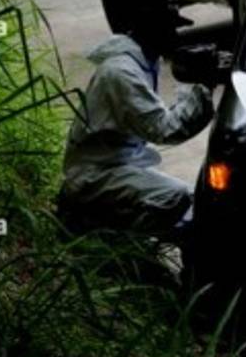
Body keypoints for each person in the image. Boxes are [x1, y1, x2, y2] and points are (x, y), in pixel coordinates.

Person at [59, 22, 213, 234]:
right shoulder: (122, 73)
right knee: (175, 197)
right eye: (168, 27)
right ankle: (111, 237)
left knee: (195, 198)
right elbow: (164, 130)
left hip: (116, 166)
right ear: (149, 28)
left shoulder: (141, 61)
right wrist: (201, 86)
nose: (175, 33)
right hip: (94, 175)